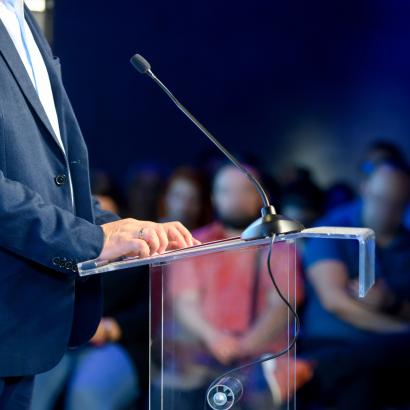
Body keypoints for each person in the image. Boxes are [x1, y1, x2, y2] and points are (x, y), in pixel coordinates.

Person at [0, 3, 197, 409]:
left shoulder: (24, 22)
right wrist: (88, 240)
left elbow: (49, 180)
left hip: (22, 326)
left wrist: (122, 226)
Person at [156, 164, 311, 409]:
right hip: (201, 353)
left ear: (261, 197)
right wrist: (214, 338)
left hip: (263, 359)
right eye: (227, 191)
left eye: (244, 191)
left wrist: (244, 346)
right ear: (214, 198)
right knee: (168, 391)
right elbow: (184, 302)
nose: (236, 199)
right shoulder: (195, 242)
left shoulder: (281, 246)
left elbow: (282, 306)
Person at [298, 157, 410, 409]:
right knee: (363, 379)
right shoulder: (333, 230)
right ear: (365, 189)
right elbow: (336, 302)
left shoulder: (406, 244)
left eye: (397, 204)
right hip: (334, 341)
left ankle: (308, 369)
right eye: (382, 200)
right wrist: (401, 332)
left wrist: (391, 302)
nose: (387, 210)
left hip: (386, 355)